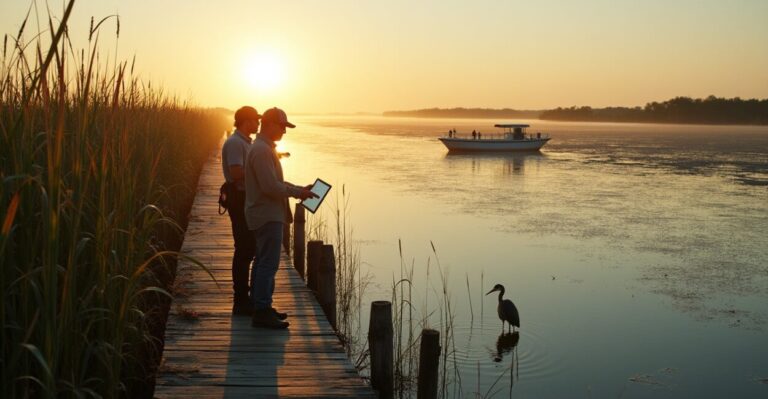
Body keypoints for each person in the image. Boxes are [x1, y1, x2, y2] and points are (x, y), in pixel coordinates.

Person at [245, 107, 317, 329]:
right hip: (267, 215)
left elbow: (274, 183)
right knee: (268, 264)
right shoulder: (262, 151)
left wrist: (298, 189)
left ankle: (261, 306)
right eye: (282, 127)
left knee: (261, 262)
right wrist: (297, 193)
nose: (284, 132)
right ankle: (262, 311)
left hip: (264, 214)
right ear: (270, 124)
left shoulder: (263, 149)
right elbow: (269, 187)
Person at [222, 106, 260, 315]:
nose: (258, 124)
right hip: (239, 199)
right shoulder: (236, 143)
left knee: (248, 248)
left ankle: (244, 297)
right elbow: (236, 172)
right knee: (244, 249)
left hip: (245, 198)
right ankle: (240, 300)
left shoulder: (245, 142)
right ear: (246, 121)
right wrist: (260, 173)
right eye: (256, 120)